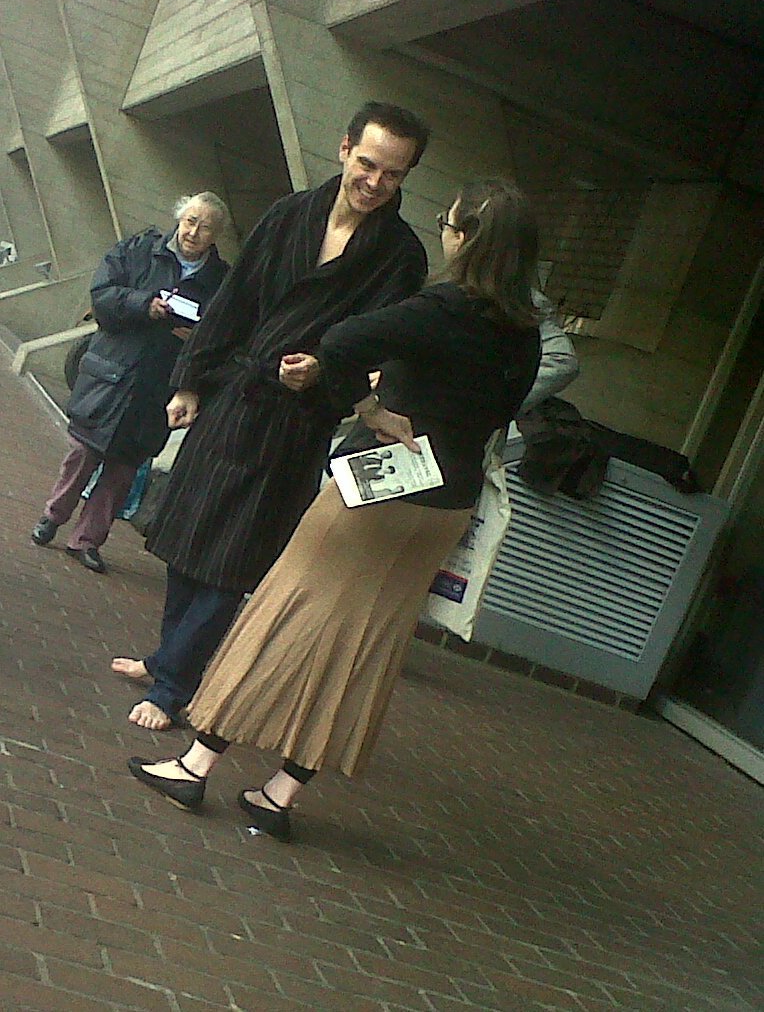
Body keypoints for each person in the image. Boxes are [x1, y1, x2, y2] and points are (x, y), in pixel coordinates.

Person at [126, 177, 542, 843]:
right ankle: (279, 794)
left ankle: (195, 764)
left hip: (381, 487)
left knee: (281, 617)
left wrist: (372, 406)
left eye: (449, 224)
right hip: (448, 503)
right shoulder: (525, 334)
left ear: (466, 239)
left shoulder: (442, 306)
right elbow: (496, 411)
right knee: (364, 649)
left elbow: (343, 341)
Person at [112, 102, 431, 731]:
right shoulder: (290, 214)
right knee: (185, 538)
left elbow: (374, 342)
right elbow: (234, 300)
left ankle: (175, 685)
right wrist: (190, 380)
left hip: (296, 422)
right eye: (367, 164)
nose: (374, 183)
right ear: (344, 149)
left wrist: (323, 370)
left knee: (232, 559)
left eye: (392, 174)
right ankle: (167, 658)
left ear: (405, 177)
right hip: (235, 394)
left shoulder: (401, 256)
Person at [30, 193, 230, 574]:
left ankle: (87, 541)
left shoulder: (220, 281)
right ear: (179, 218)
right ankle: (52, 517)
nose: (193, 232)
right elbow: (101, 296)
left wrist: (197, 338)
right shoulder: (139, 250)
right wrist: (144, 305)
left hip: (157, 391)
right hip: (111, 376)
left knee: (122, 472)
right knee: (81, 455)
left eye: (205, 227)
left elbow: (224, 335)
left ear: (216, 235)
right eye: (190, 221)